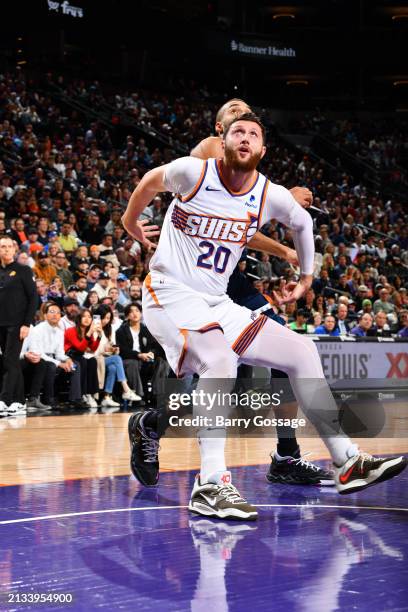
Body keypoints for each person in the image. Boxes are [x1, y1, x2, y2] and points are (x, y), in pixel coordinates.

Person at [122, 113, 406, 521]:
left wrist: (306, 277)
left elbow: (303, 223)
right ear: (222, 141)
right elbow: (149, 182)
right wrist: (131, 223)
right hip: (169, 292)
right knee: (218, 359)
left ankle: (346, 460)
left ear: (262, 150)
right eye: (237, 131)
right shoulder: (194, 172)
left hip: (217, 300)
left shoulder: (266, 194)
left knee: (301, 350)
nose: (245, 137)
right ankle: (210, 483)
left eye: (253, 134)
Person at [192, 98, 332, 485]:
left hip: (230, 282)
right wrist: (286, 195)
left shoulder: (248, 176)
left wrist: (286, 248)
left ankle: (287, 454)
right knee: (208, 373)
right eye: (234, 110)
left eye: (249, 113)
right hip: (195, 282)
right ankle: (152, 425)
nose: (243, 112)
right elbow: (219, 215)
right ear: (220, 127)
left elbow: (241, 228)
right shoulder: (207, 149)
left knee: (286, 355)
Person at [0, 235, 38, 415]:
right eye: (2, 247)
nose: (6, 250)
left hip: (16, 325)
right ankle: (19, 401)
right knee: (11, 362)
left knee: (10, 360)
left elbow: (33, 298)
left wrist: (26, 323)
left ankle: (5, 399)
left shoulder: (23, 270)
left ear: (14, 250)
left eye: (9, 247)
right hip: (1, 324)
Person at [20, 302, 76, 410]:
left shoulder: (60, 331)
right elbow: (38, 352)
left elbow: (60, 353)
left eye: (58, 313)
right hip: (40, 357)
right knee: (49, 366)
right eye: (52, 312)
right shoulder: (37, 330)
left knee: (75, 365)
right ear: (45, 315)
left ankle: (75, 398)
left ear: (61, 316)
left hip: (51, 358)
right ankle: (48, 399)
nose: (55, 315)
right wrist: (59, 363)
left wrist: (67, 359)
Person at [116, 302, 168, 405]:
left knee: (162, 362)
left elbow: (155, 347)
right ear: (127, 316)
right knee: (132, 363)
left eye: (137, 311)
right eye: (131, 312)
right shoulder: (121, 331)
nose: (134, 314)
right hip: (131, 359)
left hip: (147, 360)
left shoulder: (147, 329)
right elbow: (123, 350)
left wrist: (151, 353)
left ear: (141, 313)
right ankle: (139, 396)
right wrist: (138, 355)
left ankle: (157, 395)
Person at [93, 305, 141, 407]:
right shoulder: (94, 328)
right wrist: (105, 350)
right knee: (117, 359)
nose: (105, 321)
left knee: (113, 367)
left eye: (108, 318)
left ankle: (106, 397)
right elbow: (94, 351)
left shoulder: (110, 329)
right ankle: (126, 389)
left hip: (107, 358)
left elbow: (113, 347)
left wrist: (114, 350)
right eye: (103, 318)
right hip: (94, 359)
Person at [64, 308, 101, 408]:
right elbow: (79, 347)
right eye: (84, 316)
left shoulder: (88, 331)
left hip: (80, 356)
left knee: (93, 361)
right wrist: (89, 334)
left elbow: (93, 348)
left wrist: (99, 336)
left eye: (89, 317)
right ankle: (81, 394)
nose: (87, 319)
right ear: (79, 318)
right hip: (69, 356)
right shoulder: (71, 330)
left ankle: (89, 394)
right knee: (83, 361)